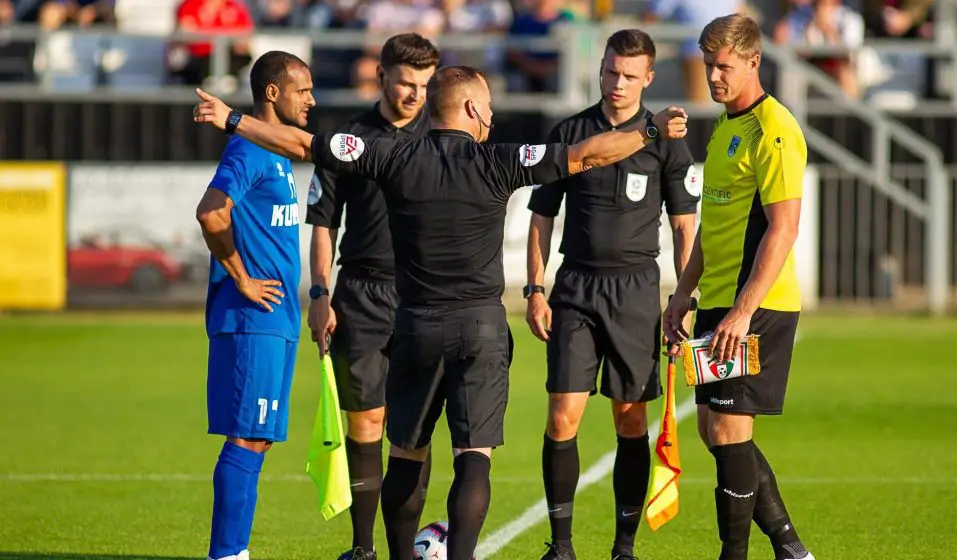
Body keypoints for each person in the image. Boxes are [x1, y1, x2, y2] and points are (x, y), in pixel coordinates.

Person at [192, 64, 689, 560]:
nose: (492, 114)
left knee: (406, 454)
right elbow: (586, 155)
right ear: (472, 109)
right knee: (473, 458)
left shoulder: (393, 155)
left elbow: (303, 145)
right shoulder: (500, 161)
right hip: (480, 329)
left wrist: (234, 120)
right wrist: (647, 130)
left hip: (413, 328)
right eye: (489, 105)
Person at [524, 28, 700, 560]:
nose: (617, 83)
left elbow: (685, 228)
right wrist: (535, 289)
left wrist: (682, 298)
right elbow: (540, 219)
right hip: (575, 287)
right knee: (562, 416)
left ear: (648, 77)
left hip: (637, 291)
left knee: (629, 417)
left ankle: (624, 546)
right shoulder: (571, 133)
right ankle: (561, 546)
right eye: (610, 71)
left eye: (629, 75)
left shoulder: (668, 140)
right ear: (599, 70)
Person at [662, 14, 815, 560]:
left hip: (757, 305)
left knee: (728, 430)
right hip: (718, 303)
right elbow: (713, 222)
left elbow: (784, 226)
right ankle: (792, 548)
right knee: (714, 429)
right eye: (708, 65)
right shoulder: (727, 127)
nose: (713, 76)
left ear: (754, 61)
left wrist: (744, 310)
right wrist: (684, 292)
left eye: (724, 65)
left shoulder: (774, 129)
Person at [304, 33, 440, 560]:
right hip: (359, 293)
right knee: (366, 421)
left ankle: (404, 551)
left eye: (424, 85)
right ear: (381, 75)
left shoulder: (443, 134)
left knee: (414, 429)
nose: (414, 94)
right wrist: (319, 292)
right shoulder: (349, 138)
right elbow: (323, 222)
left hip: (423, 297)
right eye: (406, 82)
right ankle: (363, 550)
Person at [194, 50, 315, 560]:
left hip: (277, 319)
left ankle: (232, 551)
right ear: (272, 92)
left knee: (258, 438)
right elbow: (210, 212)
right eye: (302, 90)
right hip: (252, 319)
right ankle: (228, 554)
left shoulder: (277, 153)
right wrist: (241, 277)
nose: (311, 100)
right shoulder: (247, 152)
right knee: (247, 436)